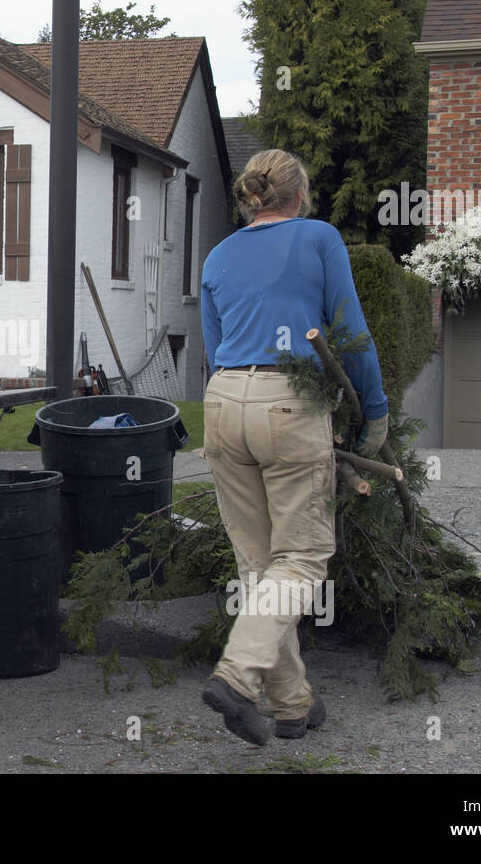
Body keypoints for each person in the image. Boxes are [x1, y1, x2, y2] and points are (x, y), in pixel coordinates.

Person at [198, 149, 388, 745]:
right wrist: (374, 409)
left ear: (253, 198)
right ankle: (235, 676)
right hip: (290, 403)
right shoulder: (319, 237)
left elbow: (215, 343)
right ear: (298, 195)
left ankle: (291, 704)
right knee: (302, 558)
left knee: (259, 565)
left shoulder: (219, 254)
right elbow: (350, 330)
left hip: (223, 401)